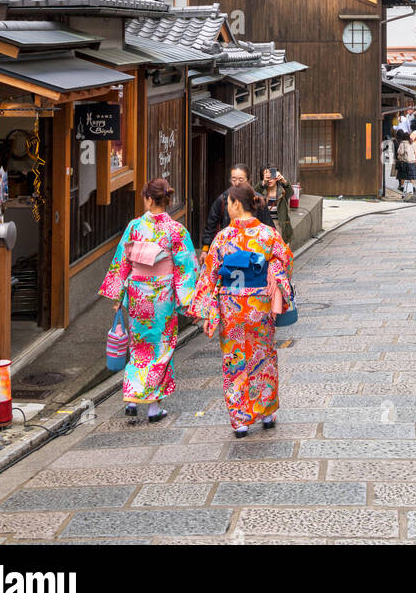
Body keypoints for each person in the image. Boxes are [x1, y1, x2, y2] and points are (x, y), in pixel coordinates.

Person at [190, 182, 293, 437]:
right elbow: (285, 261)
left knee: (234, 360)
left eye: (228, 203)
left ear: (236, 204)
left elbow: (210, 274)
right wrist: (272, 274)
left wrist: (207, 311)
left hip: (231, 308)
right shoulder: (268, 234)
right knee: (264, 355)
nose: (227, 207)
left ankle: (240, 420)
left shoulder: (223, 237)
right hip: (260, 306)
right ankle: (266, 412)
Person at [100, 177, 198, 424]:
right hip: (162, 296)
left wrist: (118, 295)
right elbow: (187, 267)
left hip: (137, 294)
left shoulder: (134, 226)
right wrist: (187, 300)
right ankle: (153, 407)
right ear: (166, 199)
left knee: (139, 346)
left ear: (148, 198)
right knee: (161, 348)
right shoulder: (175, 230)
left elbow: (122, 261)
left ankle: (132, 398)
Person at [203, 166, 273, 257]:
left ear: (248, 180)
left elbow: (268, 223)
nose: (236, 183)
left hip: (257, 253)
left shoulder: (257, 199)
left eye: (241, 179)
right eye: (233, 179)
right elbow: (211, 223)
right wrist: (205, 249)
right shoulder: (224, 198)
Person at [258, 165, 294, 246]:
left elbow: (291, 192)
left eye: (272, 175)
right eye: (267, 176)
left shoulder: (282, 191)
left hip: (280, 227)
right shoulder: (261, 190)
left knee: (281, 255)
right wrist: (263, 183)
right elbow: (253, 192)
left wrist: (283, 181)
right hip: (264, 229)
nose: (269, 179)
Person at [395, 130, 416, 199]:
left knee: (403, 176)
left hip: (405, 162)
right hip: (412, 162)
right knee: (411, 176)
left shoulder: (403, 144)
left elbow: (400, 152)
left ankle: (402, 187)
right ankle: (413, 187)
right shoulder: (413, 143)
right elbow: (415, 152)